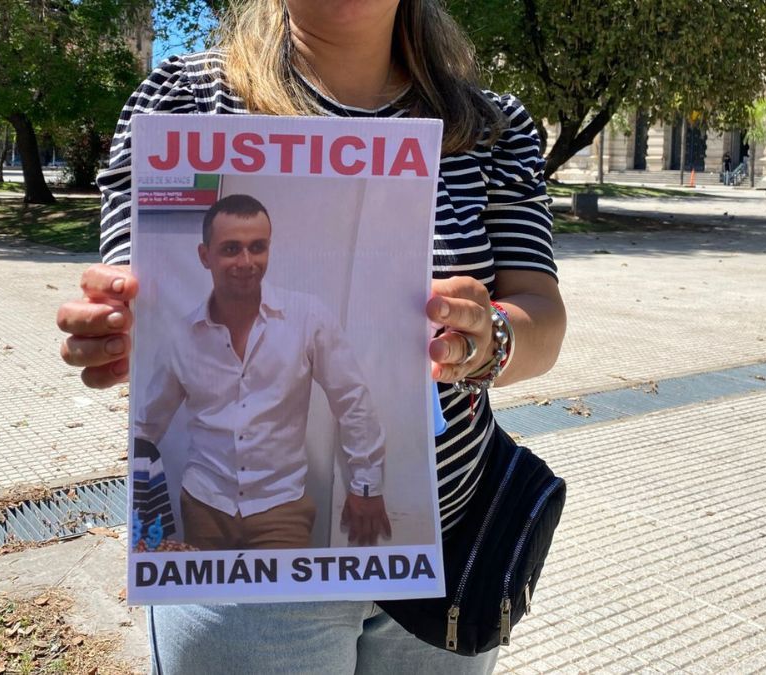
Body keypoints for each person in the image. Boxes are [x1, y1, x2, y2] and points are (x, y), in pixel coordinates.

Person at [56, 0, 567, 671]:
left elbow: (541, 320)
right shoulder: (180, 101)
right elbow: (142, 314)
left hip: (438, 548)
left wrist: (489, 336)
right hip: (234, 571)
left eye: (256, 248)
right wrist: (118, 330)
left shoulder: (493, 126)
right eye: (229, 250)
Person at [133, 194, 388, 552]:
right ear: (205, 256)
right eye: (231, 249)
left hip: (282, 508)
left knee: (285, 609)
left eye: (258, 247)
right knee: (210, 608)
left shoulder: (307, 318)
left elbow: (352, 399)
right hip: (205, 506)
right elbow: (146, 426)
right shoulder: (180, 336)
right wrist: (136, 506)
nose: (246, 261)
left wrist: (366, 486)